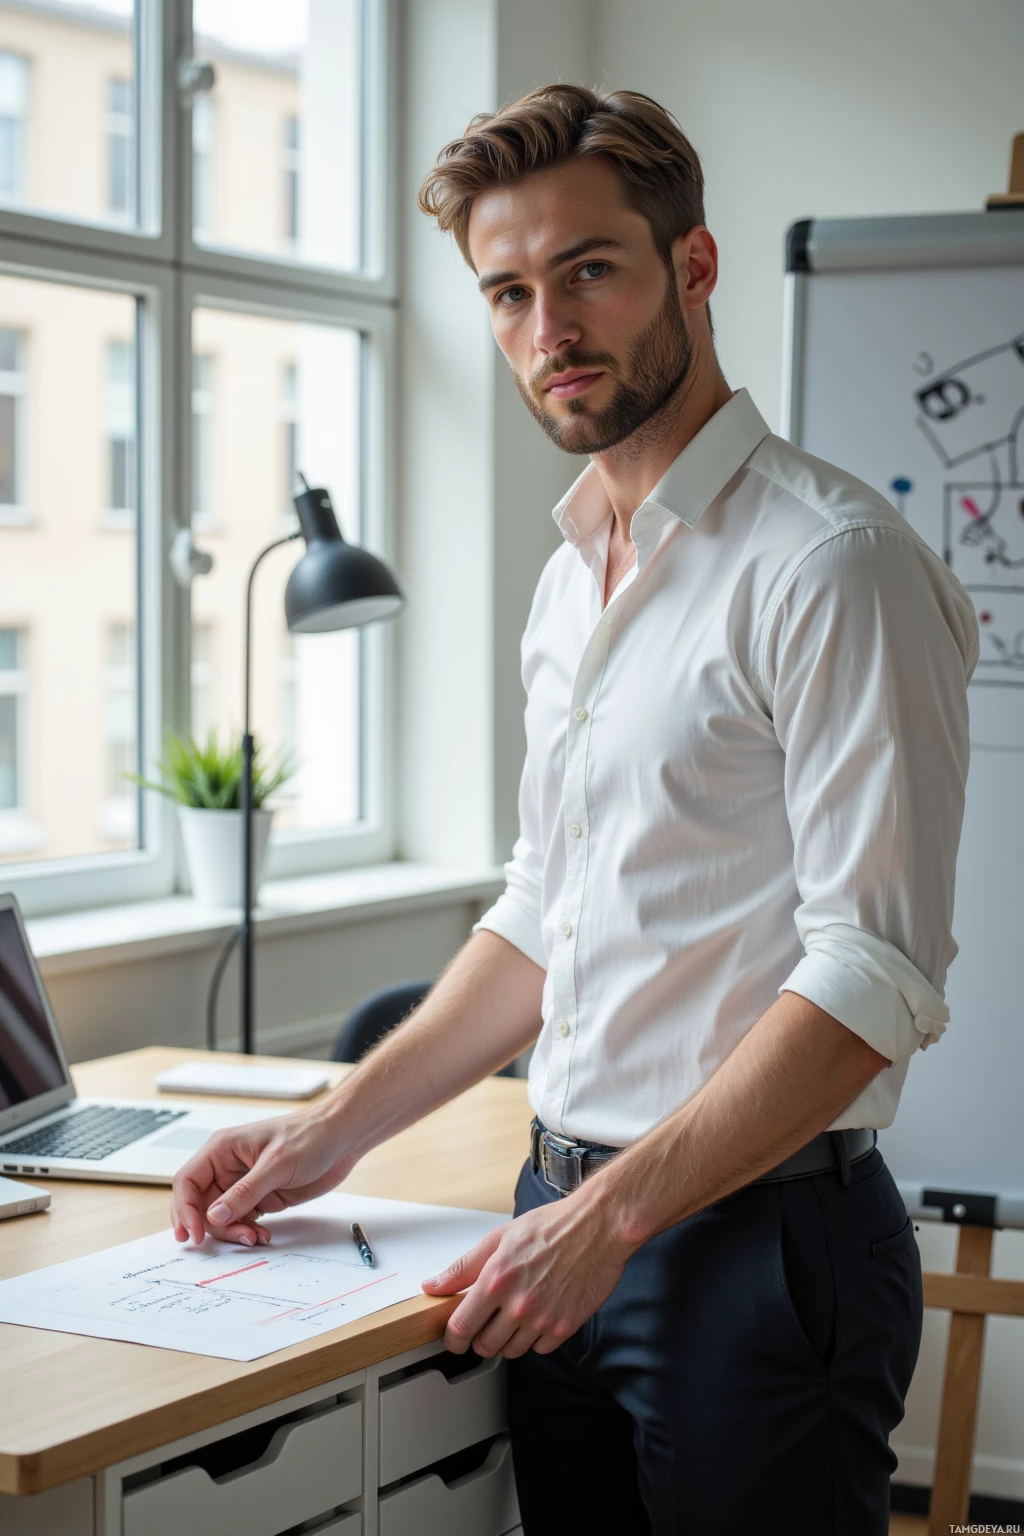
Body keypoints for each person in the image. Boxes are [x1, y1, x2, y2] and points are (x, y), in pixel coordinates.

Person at [170, 85, 978, 1534]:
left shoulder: (832, 564)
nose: (550, 330)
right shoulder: (571, 579)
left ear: (695, 267)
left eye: (590, 270)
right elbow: (549, 907)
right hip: (559, 1219)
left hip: (755, 1245)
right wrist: (321, 1133)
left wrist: (608, 1223)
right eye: (509, 292)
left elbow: (873, 974)